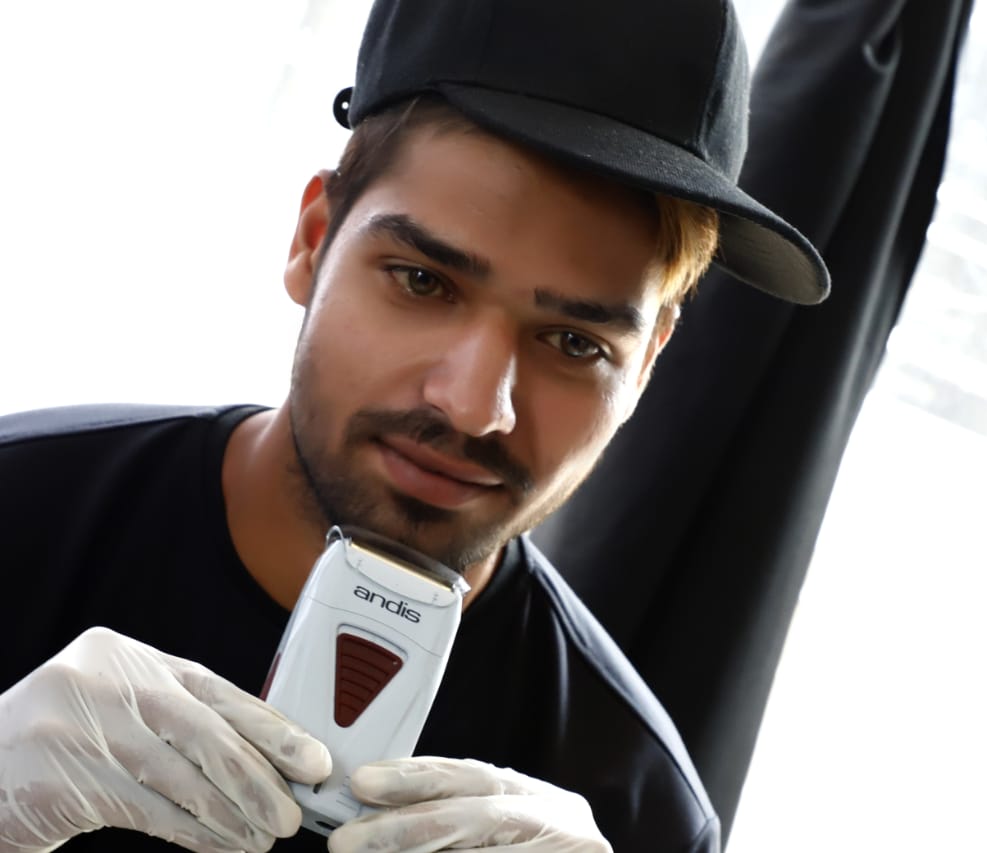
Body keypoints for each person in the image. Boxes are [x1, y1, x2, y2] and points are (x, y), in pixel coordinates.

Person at [0, 0, 829, 851]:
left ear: (646, 363)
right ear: (313, 240)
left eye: (575, 343)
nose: (474, 404)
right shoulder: (19, 513)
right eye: (423, 281)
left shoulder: (642, 809)